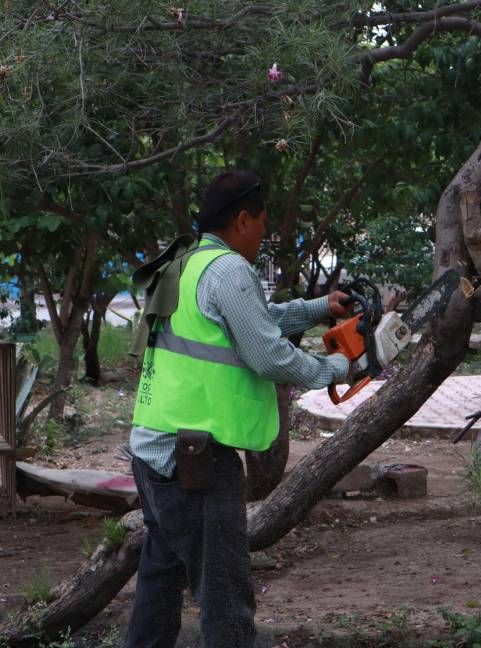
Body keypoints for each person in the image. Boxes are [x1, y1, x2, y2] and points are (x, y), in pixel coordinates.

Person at [124, 170, 350, 648]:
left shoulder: (189, 262)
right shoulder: (229, 270)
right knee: (225, 596)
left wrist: (319, 308)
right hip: (196, 462)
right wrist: (334, 369)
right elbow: (268, 354)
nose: (265, 233)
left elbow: (255, 321)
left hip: (153, 450)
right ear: (243, 220)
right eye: (263, 222)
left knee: (159, 585)